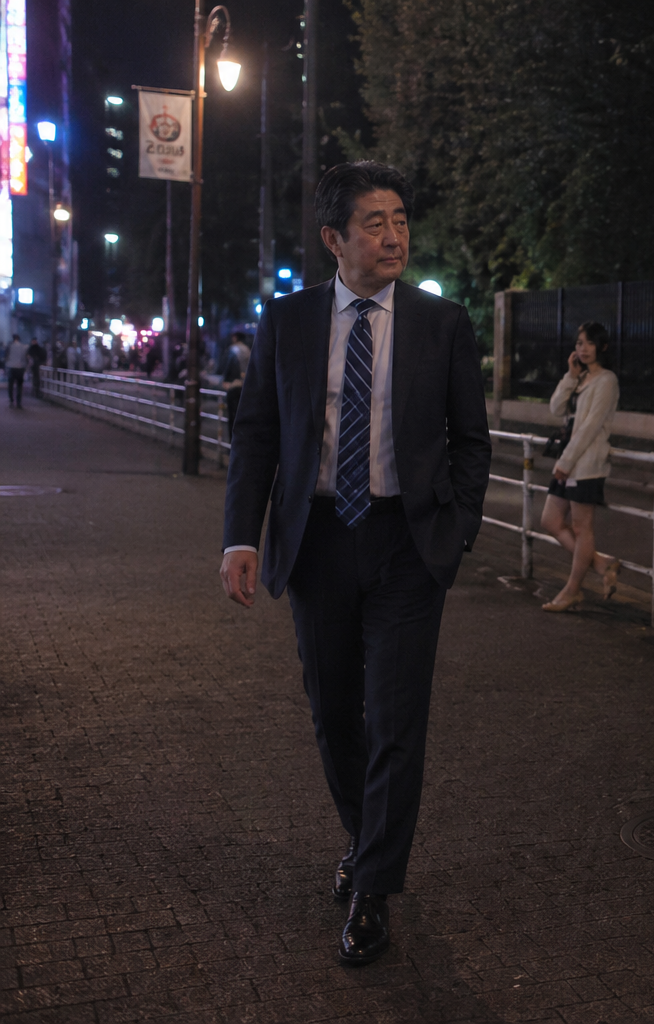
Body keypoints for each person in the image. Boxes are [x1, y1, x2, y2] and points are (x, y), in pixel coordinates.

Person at [219, 161, 491, 967]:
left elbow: (471, 441)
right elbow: (257, 434)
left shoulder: (443, 324)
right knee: (334, 711)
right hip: (318, 540)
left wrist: (457, 529)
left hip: (408, 544)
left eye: (401, 220)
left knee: (397, 719)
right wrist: (240, 536)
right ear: (334, 238)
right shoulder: (288, 320)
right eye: (375, 223)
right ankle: (365, 837)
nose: (394, 236)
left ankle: (373, 885)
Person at [538, 321, 621, 612]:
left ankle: (572, 591)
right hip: (570, 461)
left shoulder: (606, 381)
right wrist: (570, 377)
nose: (583, 349)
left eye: (589, 343)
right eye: (579, 343)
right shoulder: (581, 378)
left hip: (585, 463)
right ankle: (600, 563)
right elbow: (556, 409)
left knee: (581, 527)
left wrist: (565, 462)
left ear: (602, 347)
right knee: (550, 520)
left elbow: (590, 427)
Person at [218, 330, 251, 431]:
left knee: (232, 417)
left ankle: (232, 439)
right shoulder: (248, 350)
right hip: (245, 387)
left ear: (235, 338)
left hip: (233, 386)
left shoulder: (233, 350)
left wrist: (224, 381)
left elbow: (226, 367)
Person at [5, 333, 26, 407]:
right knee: (19, 386)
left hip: (11, 367)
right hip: (20, 368)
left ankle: (11, 401)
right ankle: (18, 402)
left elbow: (6, 356)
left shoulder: (9, 346)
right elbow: (24, 358)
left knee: (10, 385)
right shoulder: (23, 346)